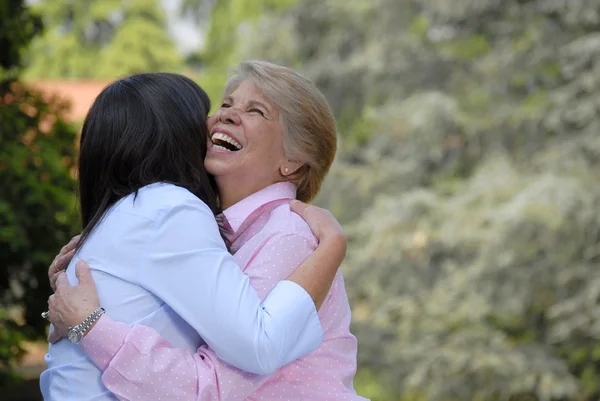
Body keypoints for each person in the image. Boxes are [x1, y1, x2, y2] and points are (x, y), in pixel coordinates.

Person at [47, 61, 367, 400]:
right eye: (226, 104)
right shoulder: (217, 232)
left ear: (294, 161)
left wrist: (90, 327)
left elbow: (210, 389)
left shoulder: (287, 236)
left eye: (256, 110)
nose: (225, 115)